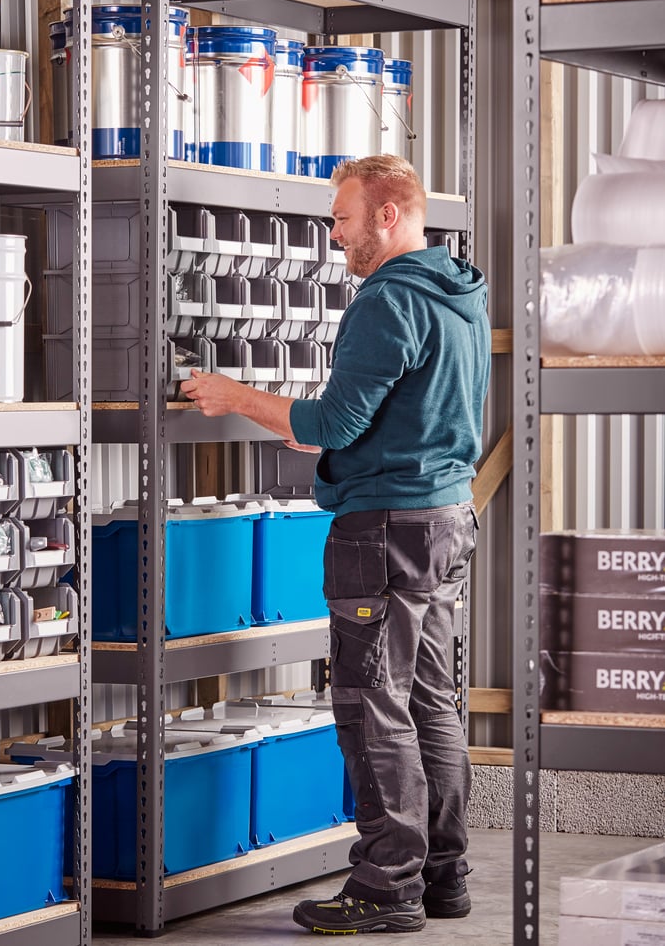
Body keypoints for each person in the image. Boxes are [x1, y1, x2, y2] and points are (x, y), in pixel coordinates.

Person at [181, 154, 490, 935]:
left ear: (387, 215)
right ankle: (443, 877)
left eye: (343, 216)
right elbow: (403, 413)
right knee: (429, 703)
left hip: (383, 530)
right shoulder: (460, 293)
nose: (333, 233)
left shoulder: (388, 299)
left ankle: (386, 887)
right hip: (445, 518)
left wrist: (233, 396)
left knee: (372, 707)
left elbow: (334, 423)